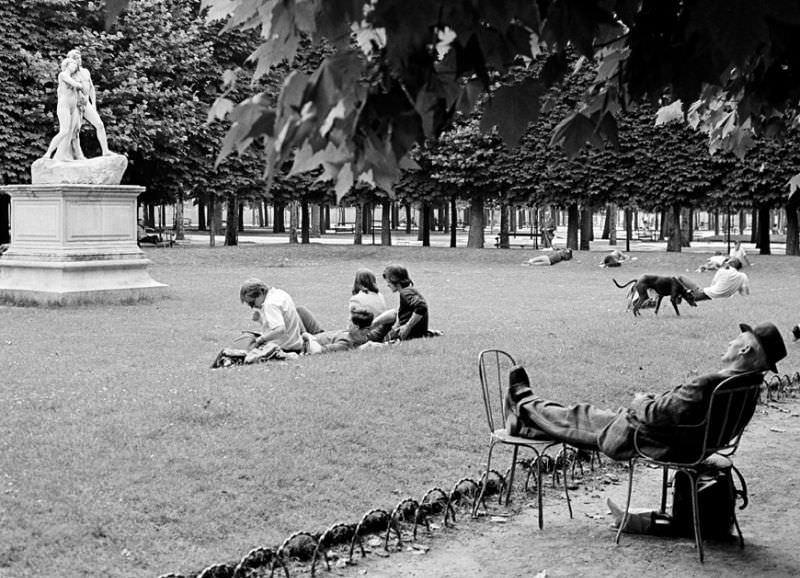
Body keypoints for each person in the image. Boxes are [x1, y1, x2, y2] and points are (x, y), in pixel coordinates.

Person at [504, 322, 786, 462]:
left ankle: (523, 401)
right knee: (588, 418)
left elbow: (658, 414)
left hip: (657, 440)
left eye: (736, 340)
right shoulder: (748, 385)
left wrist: (642, 401)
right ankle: (525, 424)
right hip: (694, 442)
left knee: (580, 415)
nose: (729, 342)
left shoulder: (709, 383)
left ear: (745, 350)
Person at [239, 278, 323, 356]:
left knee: (250, 345)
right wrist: (260, 320)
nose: (252, 307)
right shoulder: (279, 293)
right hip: (296, 342)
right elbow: (280, 322)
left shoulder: (270, 304)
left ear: (260, 294)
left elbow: (280, 330)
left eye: (252, 303)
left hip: (287, 347)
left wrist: (261, 340)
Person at [66, 48, 112, 158]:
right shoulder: (69, 74)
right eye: (75, 58)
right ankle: (76, 155)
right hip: (75, 104)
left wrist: (94, 103)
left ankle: (105, 150)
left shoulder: (85, 71)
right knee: (74, 131)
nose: (78, 60)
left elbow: (91, 88)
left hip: (86, 103)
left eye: (79, 57)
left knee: (99, 124)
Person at [42, 58, 85, 160]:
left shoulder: (73, 77)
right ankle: (48, 153)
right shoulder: (63, 75)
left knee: (73, 131)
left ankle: (66, 155)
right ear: (67, 65)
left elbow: (82, 91)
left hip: (73, 107)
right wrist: (79, 84)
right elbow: (76, 84)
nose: (75, 66)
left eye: (76, 65)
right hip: (64, 106)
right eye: (73, 64)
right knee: (64, 131)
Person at [302, 307, 394, 354]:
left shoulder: (345, 343)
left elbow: (317, 351)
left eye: (350, 322)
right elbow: (393, 314)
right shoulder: (367, 335)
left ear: (358, 328)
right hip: (321, 334)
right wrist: (370, 325)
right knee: (301, 310)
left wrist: (308, 336)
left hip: (308, 342)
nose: (347, 322)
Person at [382, 264, 429, 340]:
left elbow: (421, 306)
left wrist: (407, 327)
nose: (387, 285)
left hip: (410, 335)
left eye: (388, 281)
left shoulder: (405, 293)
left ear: (394, 279)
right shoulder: (409, 291)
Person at [679, 257, 750, 301]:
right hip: (715, 296)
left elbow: (712, 285)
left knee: (681, 277)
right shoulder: (743, 276)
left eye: (727, 261)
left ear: (732, 264)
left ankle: (680, 295)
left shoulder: (722, 271)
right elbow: (744, 293)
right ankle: (681, 294)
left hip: (704, 294)